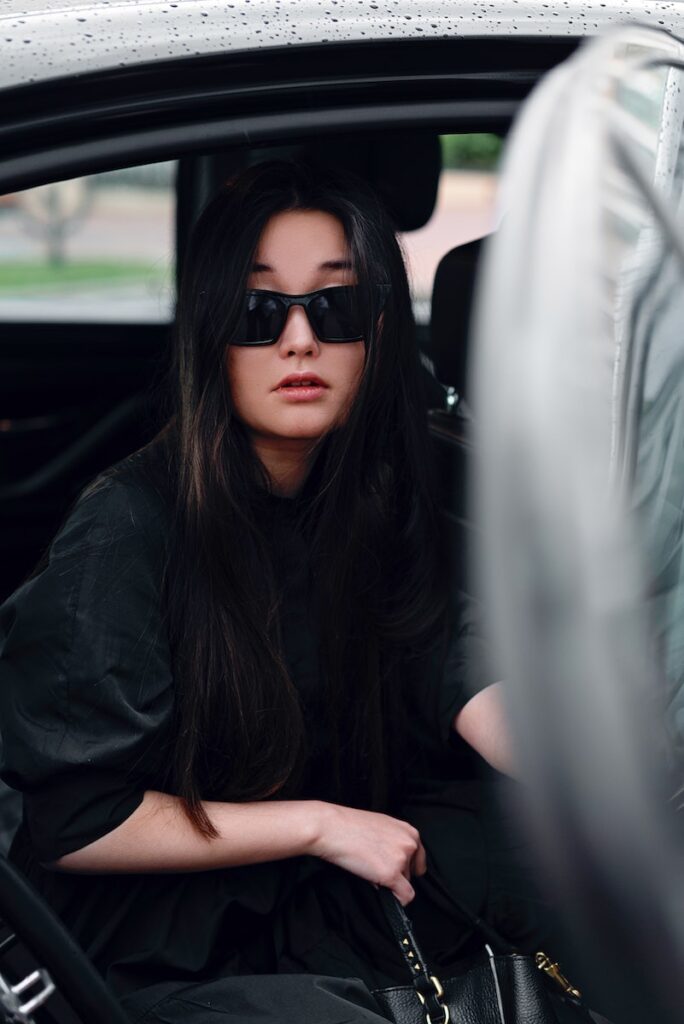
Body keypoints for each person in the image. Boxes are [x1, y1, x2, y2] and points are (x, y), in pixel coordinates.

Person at [0, 160, 523, 1024]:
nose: (299, 341)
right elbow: (77, 821)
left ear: (380, 333)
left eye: (335, 308)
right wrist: (318, 823)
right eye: (257, 311)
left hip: (298, 897)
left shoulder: (371, 496)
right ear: (210, 333)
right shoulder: (128, 527)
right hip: (152, 944)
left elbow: (441, 652)